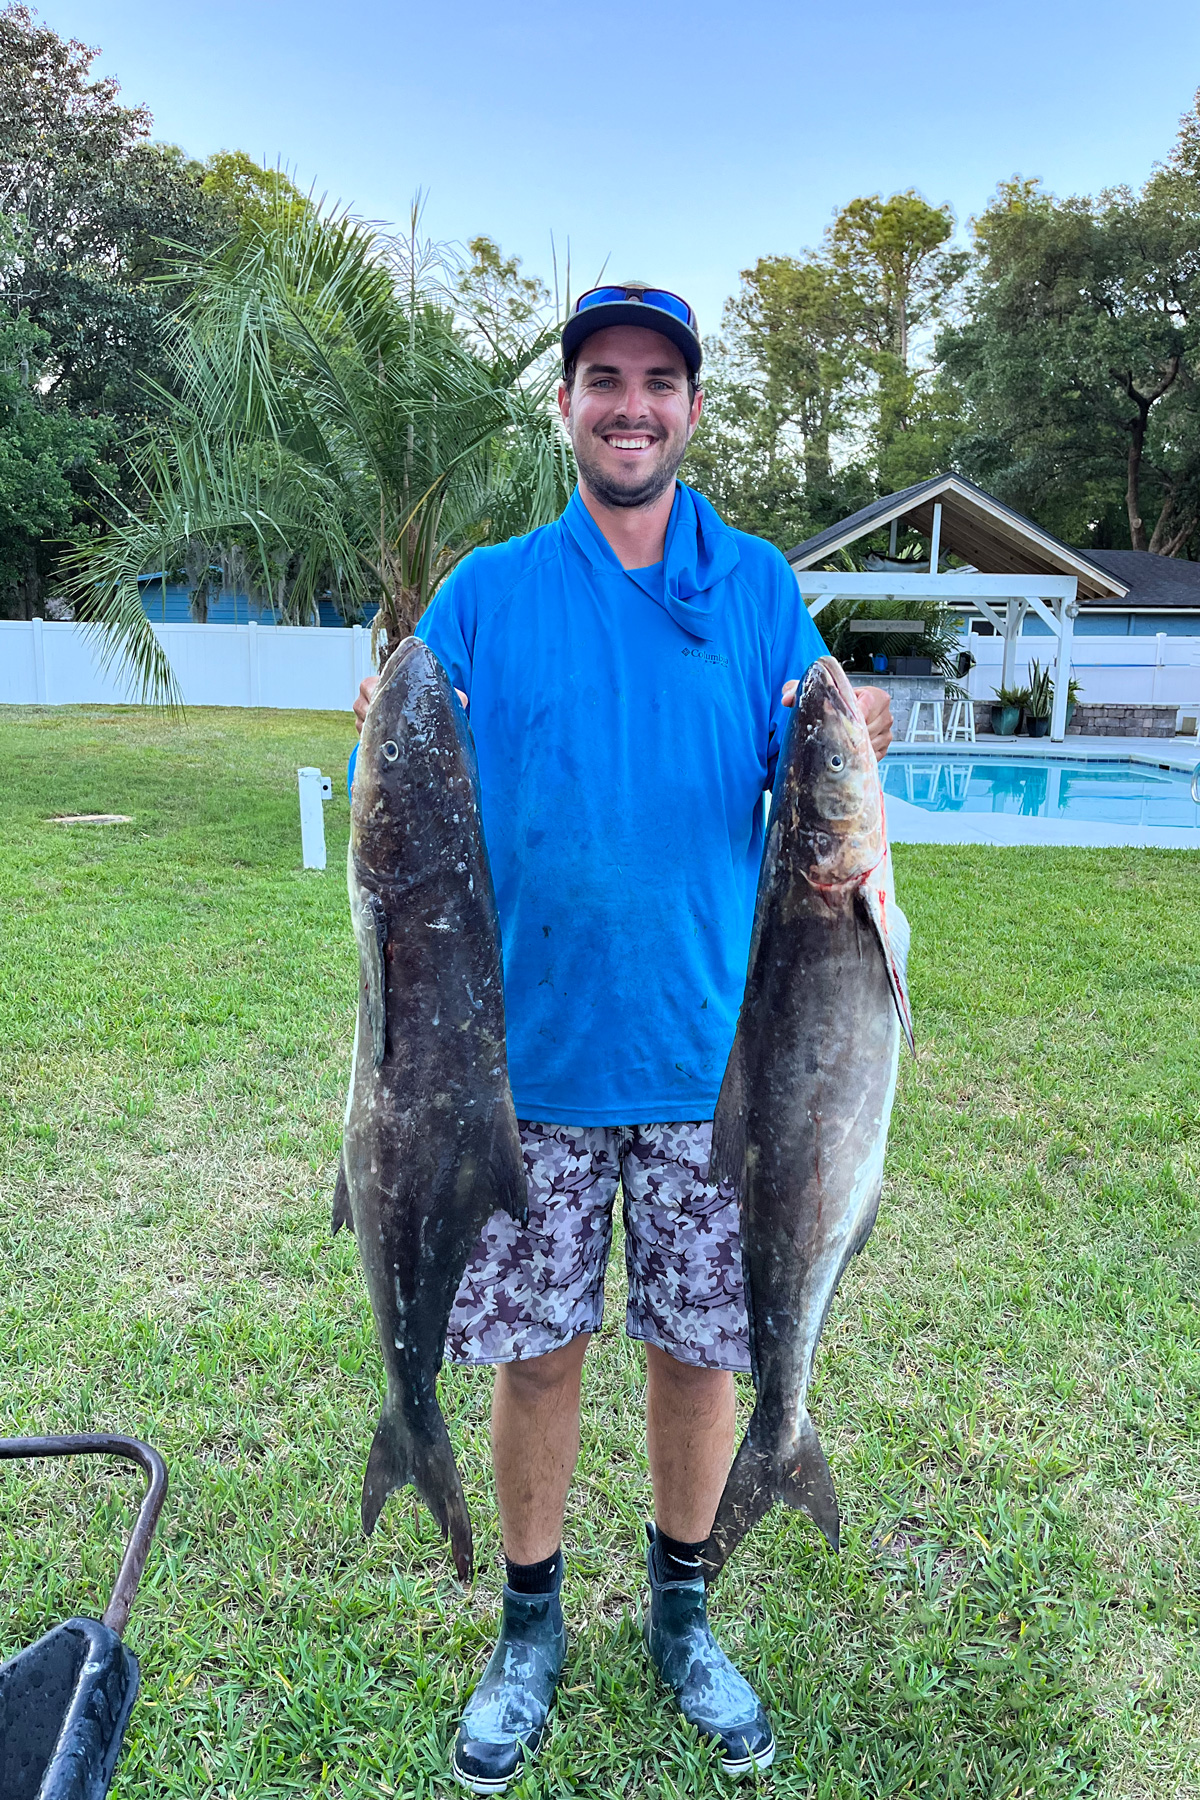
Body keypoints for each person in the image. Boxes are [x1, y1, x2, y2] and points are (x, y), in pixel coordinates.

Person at [351, 282, 893, 1792]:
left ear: (694, 409)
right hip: (517, 1066)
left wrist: (861, 756)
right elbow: (400, 783)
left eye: (659, 380)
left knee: (701, 1357)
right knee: (539, 1357)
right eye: (604, 378)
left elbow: (819, 779)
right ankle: (530, 1628)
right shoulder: (486, 595)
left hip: (723, 1068)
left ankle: (682, 1609)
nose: (631, 404)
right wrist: (370, 717)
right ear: (570, 404)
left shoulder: (760, 588)